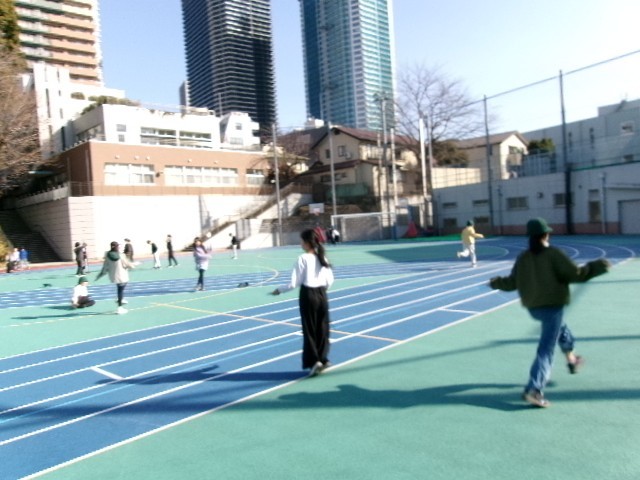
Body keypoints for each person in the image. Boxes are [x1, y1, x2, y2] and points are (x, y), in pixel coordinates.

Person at [489, 218, 610, 408]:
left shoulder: (523, 257)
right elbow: (576, 274)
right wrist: (598, 266)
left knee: (560, 328)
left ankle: (572, 359)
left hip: (534, 308)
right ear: (546, 235)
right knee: (546, 349)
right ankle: (534, 390)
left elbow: (512, 283)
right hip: (552, 306)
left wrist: (495, 282)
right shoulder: (553, 254)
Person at [271, 229, 334, 377]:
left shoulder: (303, 258)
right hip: (322, 294)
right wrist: (322, 291)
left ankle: (314, 362)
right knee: (322, 327)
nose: (300, 243)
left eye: (302, 240)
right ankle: (323, 358)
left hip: (308, 294)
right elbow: (330, 280)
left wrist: (279, 290)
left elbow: (294, 283)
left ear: (307, 242)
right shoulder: (322, 257)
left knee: (309, 329)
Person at [96, 241, 135, 314]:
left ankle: (120, 299)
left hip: (113, 275)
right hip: (122, 275)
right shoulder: (121, 255)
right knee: (121, 289)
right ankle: (120, 307)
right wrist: (133, 265)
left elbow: (105, 265)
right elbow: (127, 264)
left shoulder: (108, 255)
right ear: (117, 247)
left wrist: (102, 273)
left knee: (120, 288)